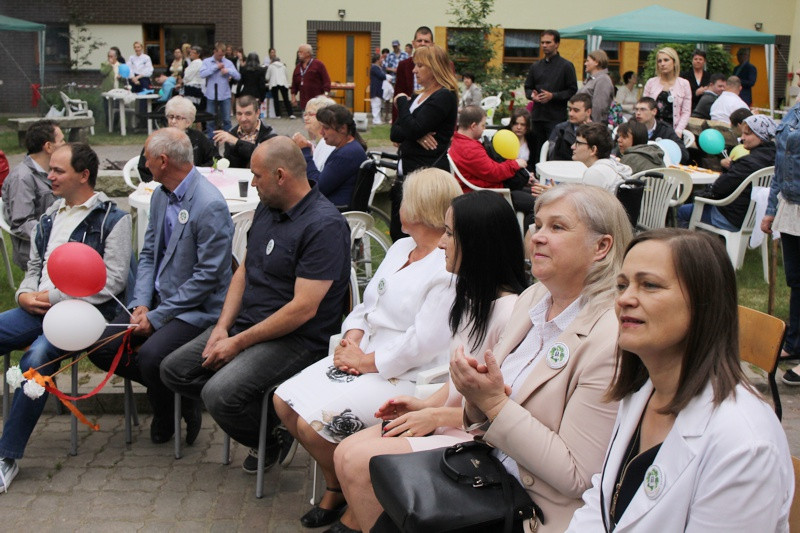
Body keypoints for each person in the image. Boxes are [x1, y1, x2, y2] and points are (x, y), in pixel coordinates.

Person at [432, 184, 632, 533]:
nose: (537, 236)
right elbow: (487, 418)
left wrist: (493, 403)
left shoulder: (610, 340)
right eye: (538, 225)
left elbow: (576, 476)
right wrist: (476, 399)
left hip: (534, 510)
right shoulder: (535, 297)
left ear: (601, 247)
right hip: (486, 474)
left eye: (557, 227)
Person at [567, 229, 793, 532]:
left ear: (703, 303)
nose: (624, 299)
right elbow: (602, 500)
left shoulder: (744, 443)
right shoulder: (643, 391)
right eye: (622, 285)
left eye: (649, 285)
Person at [273, 168, 462, 529]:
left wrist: (364, 361)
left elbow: (422, 343)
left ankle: (344, 493)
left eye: (403, 200)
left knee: (313, 426)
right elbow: (367, 303)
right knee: (283, 401)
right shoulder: (401, 247)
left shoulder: (446, 267)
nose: (396, 206)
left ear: (421, 208)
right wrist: (353, 336)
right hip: (364, 355)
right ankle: (338, 482)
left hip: (404, 374)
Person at [332, 190, 528, 532]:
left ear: (478, 242)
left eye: (450, 234)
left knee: (359, 461)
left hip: (478, 439)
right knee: (344, 452)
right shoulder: (470, 298)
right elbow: (457, 384)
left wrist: (434, 415)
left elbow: (505, 410)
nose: (441, 244)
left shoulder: (511, 314)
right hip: (451, 420)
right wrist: (423, 406)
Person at [160, 136, 351, 474]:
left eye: (257, 176)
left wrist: (238, 343)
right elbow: (244, 271)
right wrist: (222, 328)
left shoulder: (324, 225)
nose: (253, 183)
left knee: (220, 394)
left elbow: (303, 309)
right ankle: (270, 420)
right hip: (249, 325)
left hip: (297, 339)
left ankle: (271, 434)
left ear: (281, 176)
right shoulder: (268, 206)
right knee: (174, 370)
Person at [0, 143, 132, 493]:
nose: (50, 176)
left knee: (37, 358)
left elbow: (112, 282)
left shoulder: (113, 219)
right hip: (36, 307)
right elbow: (34, 268)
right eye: (50, 169)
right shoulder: (49, 217)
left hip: (80, 315)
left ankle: (6, 457)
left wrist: (53, 297)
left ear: (84, 175)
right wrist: (24, 295)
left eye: (58, 171)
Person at [90, 128, 233, 445]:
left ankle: (168, 411)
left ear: (163, 161)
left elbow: (208, 277)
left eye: (147, 157)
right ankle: (176, 394)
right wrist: (141, 303)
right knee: (101, 345)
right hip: (156, 300)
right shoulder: (159, 195)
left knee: (152, 356)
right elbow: (148, 254)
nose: (144, 163)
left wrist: (157, 317)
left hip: (195, 309)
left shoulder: (209, 204)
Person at [389, 44, 459, 241]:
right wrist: (416, 133)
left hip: (426, 174)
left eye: (420, 65)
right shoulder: (419, 96)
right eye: (415, 65)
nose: (414, 70)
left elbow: (411, 128)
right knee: (399, 230)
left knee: (423, 231)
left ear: (434, 68)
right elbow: (395, 133)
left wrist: (401, 102)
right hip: (408, 173)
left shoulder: (444, 95)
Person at [677, 115, 775, 231]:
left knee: (683, 211)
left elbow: (719, 188)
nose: (742, 138)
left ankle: (690, 243)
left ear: (761, 137)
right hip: (758, 217)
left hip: (733, 217)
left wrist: (701, 194)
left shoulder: (748, 163)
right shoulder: (776, 159)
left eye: (747, 134)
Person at [766, 94, 800, 379]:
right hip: (791, 204)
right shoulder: (795, 110)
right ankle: (795, 341)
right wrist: (770, 208)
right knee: (796, 279)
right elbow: (780, 166)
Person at [2, 120, 65, 270]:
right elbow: (21, 224)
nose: (66, 145)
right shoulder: (22, 178)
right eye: (62, 141)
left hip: (56, 243)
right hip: (38, 252)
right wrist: (59, 232)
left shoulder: (51, 172)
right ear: (48, 147)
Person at [293, 104, 368, 207]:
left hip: (333, 211)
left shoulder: (347, 154)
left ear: (343, 128)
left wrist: (305, 152)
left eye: (326, 128)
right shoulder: (350, 148)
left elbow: (317, 187)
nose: (321, 132)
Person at [523, 29, 578, 165]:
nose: (544, 45)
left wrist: (553, 96)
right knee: (536, 151)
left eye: (548, 42)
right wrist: (532, 96)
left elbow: (572, 90)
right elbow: (527, 87)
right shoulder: (536, 66)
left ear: (557, 44)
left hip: (556, 118)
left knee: (553, 151)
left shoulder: (566, 66)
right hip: (537, 117)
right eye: (542, 42)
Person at [450, 105, 527, 193]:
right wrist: (515, 164)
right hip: (486, 192)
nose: (484, 128)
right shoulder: (470, 149)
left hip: (481, 188)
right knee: (531, 197)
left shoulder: (458, 141)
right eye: (483, 125)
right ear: (473, 126)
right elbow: (494, 173)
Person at [137, 96, 216, 181]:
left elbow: (214, 159)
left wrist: (196, 173)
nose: (173, 121)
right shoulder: (157, 139)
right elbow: (144, 168)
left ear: (188, 122)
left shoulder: (198, 138)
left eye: (178, 118)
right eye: (171, 117)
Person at [212, 95, 277, 169]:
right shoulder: (232, 134)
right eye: (239, 114)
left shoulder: (269, 133)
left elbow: (265, 158)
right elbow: (230, 166)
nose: (243, 119)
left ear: (257, 113)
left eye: (248, 114)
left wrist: (237, 142)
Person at [643, 47, 692, 137]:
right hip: (652, 130)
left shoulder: (684, 84)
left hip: (674, 131)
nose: (662, 64)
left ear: (674, 62)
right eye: (659, 61)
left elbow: (686, 111)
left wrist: (679, 130)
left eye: (666, 60)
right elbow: (644, 107)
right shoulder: (651, 82)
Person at [572, 122, 632, 192]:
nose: (572, 147)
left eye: (578, 143)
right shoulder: (609, 166)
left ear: (593, 150)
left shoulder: (595, 172)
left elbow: (586, 199)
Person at [200, 42, 241, 140]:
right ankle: (211, 141)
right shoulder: (207, 61)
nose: (221, 57)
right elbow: (202, 74)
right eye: (219, 55)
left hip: (225, 95)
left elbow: (238, 76)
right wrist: (216, 67)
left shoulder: (228, 62)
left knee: (226, 120)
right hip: (211, 95)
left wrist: (228, 71)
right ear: (214, 51)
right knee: (210, 120)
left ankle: (227, 141)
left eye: (223, 55)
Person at [393, 26, 434, 122]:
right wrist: (396, 124)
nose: (422, 44)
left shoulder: (445, 65)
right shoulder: (403, 65)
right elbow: (399, 95)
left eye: (426, 41)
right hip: (410, 118)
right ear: (413, 43)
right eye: (419, 41)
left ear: (432, 44)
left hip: (434, 118)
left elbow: (451, 100)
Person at [634, 97, 689, 164]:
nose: (638, 113)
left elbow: (684, 154)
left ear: (654, 111)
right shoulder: (631, 127)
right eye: (636, 109)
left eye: (643, 109)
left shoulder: (665, 130)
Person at [292, 95, 337, 172]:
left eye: (310, 114)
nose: (305, 118)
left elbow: (315, 175)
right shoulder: (323, 141)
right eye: (305, 114)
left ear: (324, 117)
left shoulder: (328, 144)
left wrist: (304, 150)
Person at [548, 93, 593, 162]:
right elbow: (552, 155)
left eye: (576, 110)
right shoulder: (560, 129)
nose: (570, 114)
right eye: (569, 109)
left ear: (588, 112)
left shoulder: (598, 131)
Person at [577, 49, 615, 124]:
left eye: (588, 61)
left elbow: (599, 107)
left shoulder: (603, 80)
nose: (585, 63)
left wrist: (593, 126)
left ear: (596, 62)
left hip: (592, 125)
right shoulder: (593, 79)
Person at [291, 44, 331, 112]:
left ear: (308, 53)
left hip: (318, 102)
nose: (299, 54)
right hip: (304, 103)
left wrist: (326, 94)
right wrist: (293, 97)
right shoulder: (298, 68)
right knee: (306, 118)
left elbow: (326, 81)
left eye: (301, 52)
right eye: (298, 52)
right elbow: (294, 85)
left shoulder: (318, 64)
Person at [266, 54, 293, 118]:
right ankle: (290, 114)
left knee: (276, 100)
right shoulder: (283, 66)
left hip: (274, 83)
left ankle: (278, 115)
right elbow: (286, 76)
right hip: (283, 83)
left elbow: (267, 77)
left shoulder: (271, 66)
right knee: (286, 99)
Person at [181, 45, 205, 110]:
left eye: (193, 52)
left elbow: (187, 77)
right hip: (196, 88)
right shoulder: (198, 62)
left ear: (198, 54)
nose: (190, 54)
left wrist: (185, 72)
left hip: (193, 89)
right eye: (190, 52)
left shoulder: (196, 63)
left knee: (191, 108)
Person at [369, 53, 386, 125]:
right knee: (375, 105)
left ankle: (378, 120)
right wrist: (383, 67)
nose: (382, 60)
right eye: (381, 58)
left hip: (378, 89)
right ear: (377, 60)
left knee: (378, 104)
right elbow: (382, 76)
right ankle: (376, 120)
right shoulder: (374, 68)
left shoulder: (379, 67)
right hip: (375, 89)